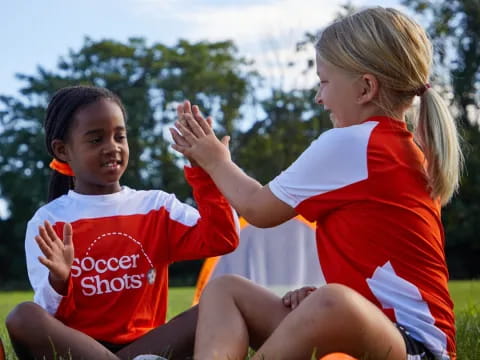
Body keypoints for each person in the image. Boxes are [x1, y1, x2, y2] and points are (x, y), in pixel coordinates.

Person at [171, 6, 462, 360]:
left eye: (324, 82)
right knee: (223, 290)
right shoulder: (400, 147)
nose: (318, 98)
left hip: (414, 348)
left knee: (332, 302)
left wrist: (215, 160)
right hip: (378, 330)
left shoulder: (356, 143)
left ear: (365, 87)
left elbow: (258, 209)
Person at [5, 85, 239, 360]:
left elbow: (223, 238)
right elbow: (47, 314)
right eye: (96, 140)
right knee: (23, 316)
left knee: (220, 302)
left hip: (149, 347)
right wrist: (60, 280)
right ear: (62, 150)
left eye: (119, 136)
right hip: (79, 352)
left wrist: (206, 170)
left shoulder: (157, 207)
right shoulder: (49, 221)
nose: (112, 148)